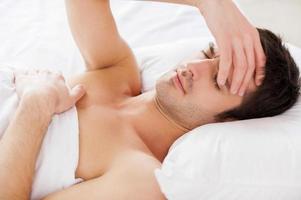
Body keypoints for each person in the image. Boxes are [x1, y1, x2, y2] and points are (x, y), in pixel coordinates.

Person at [0, 0, 299, 199]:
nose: (193, 68)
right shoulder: (116, 71)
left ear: (230, 122)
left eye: (218, 80)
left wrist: (36, 106)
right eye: (209, 54)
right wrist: (209, 3)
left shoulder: (137, 178)